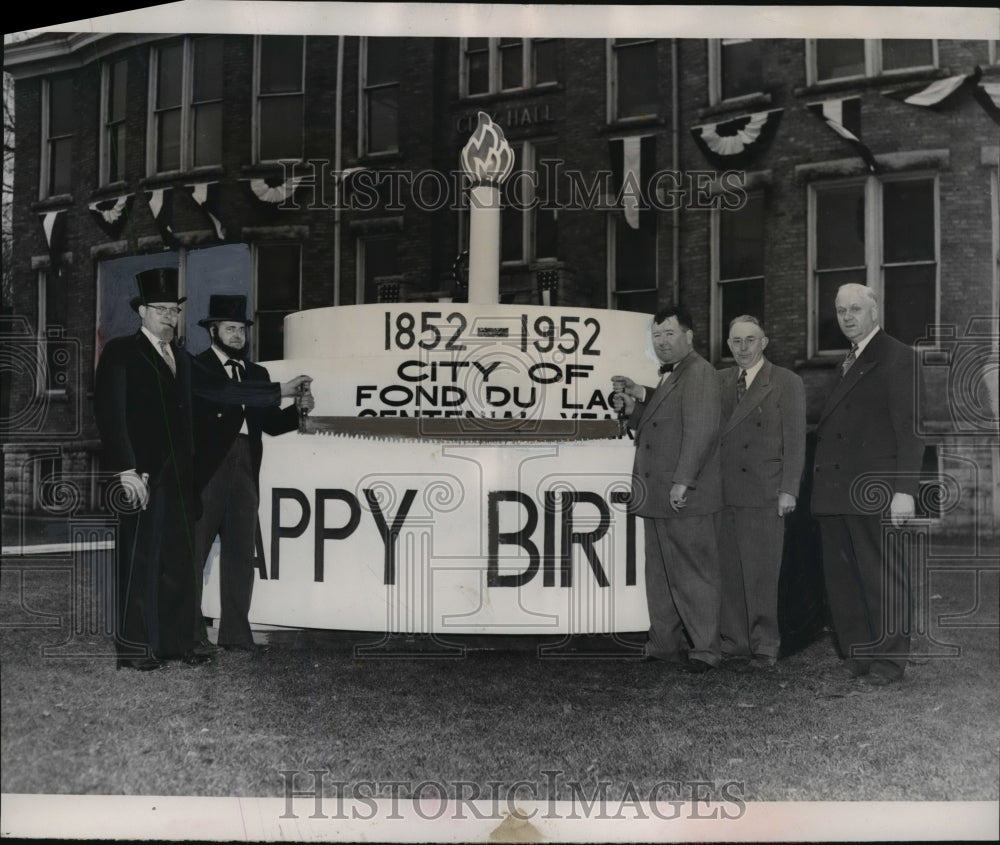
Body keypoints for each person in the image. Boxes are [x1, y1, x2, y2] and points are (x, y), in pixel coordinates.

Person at [94, 268, 312, 671]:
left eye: (173, 310)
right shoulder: (122, 351)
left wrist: (279, 391)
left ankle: (175, 644)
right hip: (141, 475)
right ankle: (135, 649)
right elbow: (110, 414)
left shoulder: (180, 358)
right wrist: (124, 469)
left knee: (178, 560)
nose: (169, 317)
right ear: (141, 311)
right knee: (141, 560)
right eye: (160, 309)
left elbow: (223, 390)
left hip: (181, 476)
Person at [811, 284, 924, 686]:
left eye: (856, 309)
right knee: (843, 581)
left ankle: (890, 662)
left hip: (874, 491)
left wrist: (905, 491)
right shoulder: (849, 360)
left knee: (882, 578)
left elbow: (910, 431)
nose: (847, 317)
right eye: (841, 310)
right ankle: (860, 655)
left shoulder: (897, 357)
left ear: (875, 311)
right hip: (837, 492)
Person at [191, 295, 314, 657]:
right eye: (230, 329)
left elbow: (271, 425)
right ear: (213, 331)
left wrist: (296, 411)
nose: (238, 335)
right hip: (209, 469)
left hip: (246, 465)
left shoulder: (256, 374)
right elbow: (228, 397)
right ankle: (190, 632)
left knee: (241, 553)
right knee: (194, 551)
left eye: (241, 329)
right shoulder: (198, 368)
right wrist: (279, 390)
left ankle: (235, 634)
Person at [612, 305, 723, 673]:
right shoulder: (674, 375)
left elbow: (701, 430)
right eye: (657, 336)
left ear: (689, 337)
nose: (662, 342)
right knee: (659, 576)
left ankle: (706, 649)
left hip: (681, 495)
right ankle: (664, 645)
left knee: (692, 574)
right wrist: (633, 406)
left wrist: (683, 481)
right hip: (658, 495)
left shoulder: (700, 373)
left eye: (669, 334)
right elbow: (661, 422)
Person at [716, 315, 806, 666]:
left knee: (761, 571)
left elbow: (795, 441)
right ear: (728, 344)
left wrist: (789, 489)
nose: (743, 348)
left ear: (764, 343)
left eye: (750, 340)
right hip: (723, 491)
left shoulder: (786, 382)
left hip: (764, 491)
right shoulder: (717, 379)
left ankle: (765, 643)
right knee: (729, 570)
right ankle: (735, 640)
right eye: (736, 341)